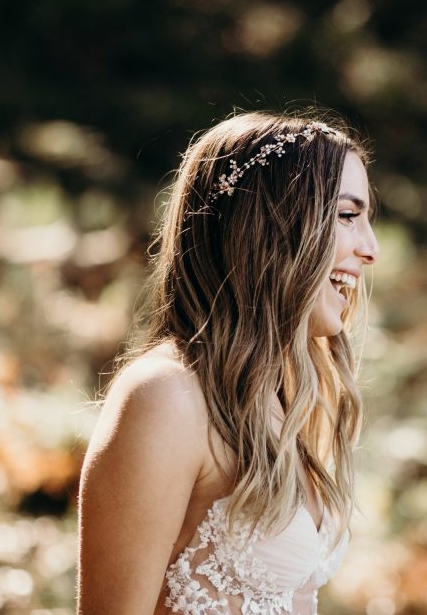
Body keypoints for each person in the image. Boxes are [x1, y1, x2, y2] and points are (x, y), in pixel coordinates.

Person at [76, 111, 379, 614]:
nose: (369, 249)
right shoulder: (166, 398)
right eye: (347, 215)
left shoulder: (280, 402)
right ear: (268, 224)